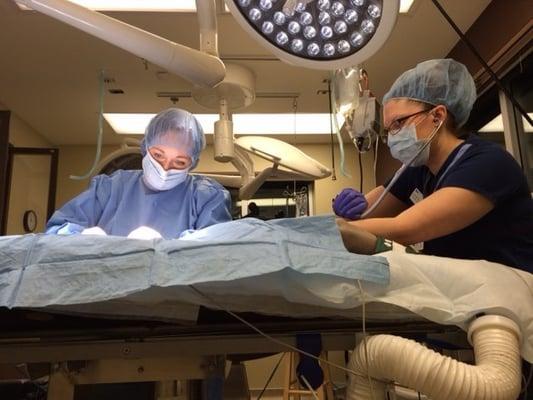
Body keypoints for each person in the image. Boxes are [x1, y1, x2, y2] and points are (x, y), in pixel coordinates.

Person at [333, 59, 533, 272]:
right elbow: (366, 213)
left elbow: (405, 229)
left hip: (512, 293)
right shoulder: (417, 171)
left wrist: (328, 230)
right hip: (463, 289)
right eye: (389, 129)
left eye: (399, 123)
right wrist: (344, 213)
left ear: (437, 116)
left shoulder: (487, 164)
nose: (392, 136)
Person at [46, 108, 232, 239]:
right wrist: (83, 238)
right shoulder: (111, 188)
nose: (165, 168)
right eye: (158, 155)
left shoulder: (206, 197)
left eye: (179, 162)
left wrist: (169, 249)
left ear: (193, 164)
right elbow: (57, 230)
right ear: (145, 148)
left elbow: (214, 250)